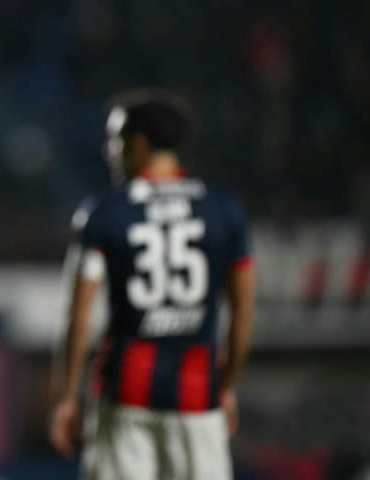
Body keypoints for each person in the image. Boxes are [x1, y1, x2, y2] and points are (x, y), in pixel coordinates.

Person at [48, 89, 255, 480]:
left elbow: (78, 312)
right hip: (197, 395)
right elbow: (243, 311)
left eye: (116, 140)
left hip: (125, 395)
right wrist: (225, 386)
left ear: (138, 143)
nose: (110, 151)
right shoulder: (223, 210)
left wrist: (66, 396)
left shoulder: (105, 210)